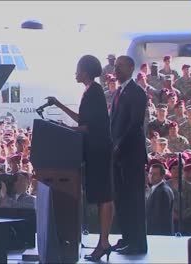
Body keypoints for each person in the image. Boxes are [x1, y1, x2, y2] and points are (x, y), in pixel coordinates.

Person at [46, 55, 114, 261]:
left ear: (84, 71)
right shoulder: (89, 91)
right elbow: (82, 119)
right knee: (102, 196)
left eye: (77, 69)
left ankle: (103, 243)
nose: (75, 73)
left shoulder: (95, 92)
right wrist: (58, 105)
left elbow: (90, 127)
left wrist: (68, 129)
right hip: (93, 150)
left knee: (105, 196)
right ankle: (103, 243)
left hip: (99, 151)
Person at [110, 55, 148, 255]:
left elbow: (134, 125)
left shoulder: (137, 92)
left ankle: (138, 243)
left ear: (131, 68)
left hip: (131, 155)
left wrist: (118, 146)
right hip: (117, 157)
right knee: (122, 200)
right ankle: (127, 238)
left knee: (134, 201)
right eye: (115, 66)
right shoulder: (118, 92)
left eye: (120, 66)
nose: (116, 70)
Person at [146, 163, 174, 236]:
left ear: (162, 176)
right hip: (157, 233)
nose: (151, 176)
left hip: (159, 234)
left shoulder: (162, 191)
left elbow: (157, 216)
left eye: (155, 174)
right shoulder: (157, 189)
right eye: (150, 173)